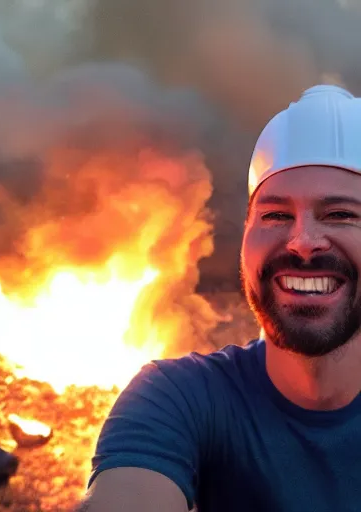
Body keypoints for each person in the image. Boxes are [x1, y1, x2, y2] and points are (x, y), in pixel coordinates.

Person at [77, 84, 361, 512]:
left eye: (340, 214)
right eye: (275, 215)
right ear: (246, 240)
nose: (302, 241)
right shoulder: (177, 398)